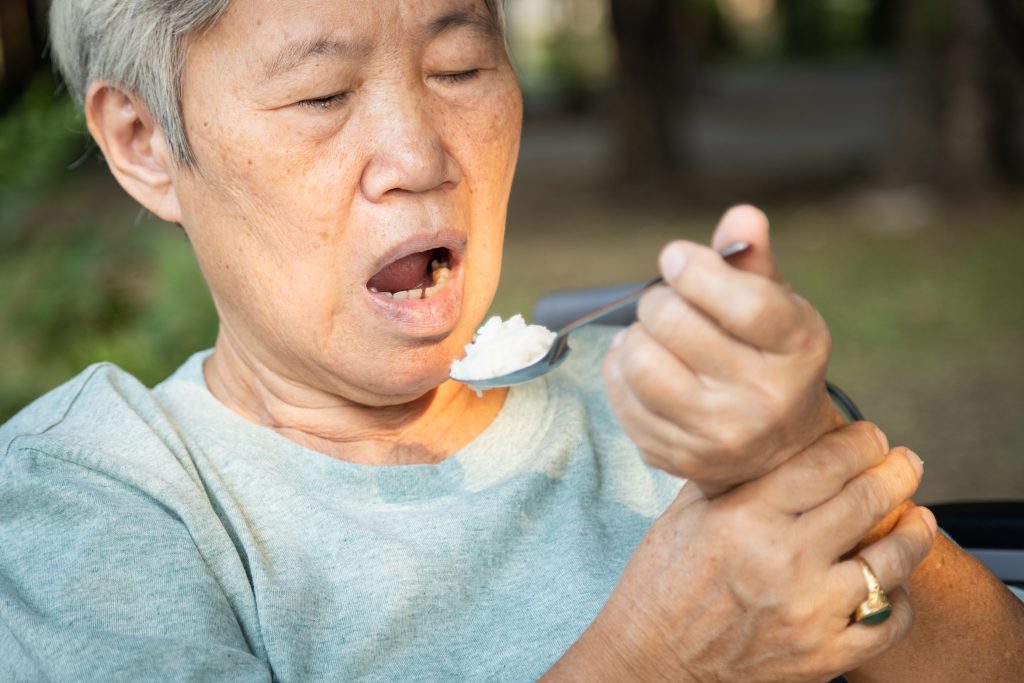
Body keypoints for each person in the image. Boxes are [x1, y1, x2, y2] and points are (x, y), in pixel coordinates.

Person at [0, 0, 1020, 681]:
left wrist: (798, 456)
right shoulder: (101, 486)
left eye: (460, 66)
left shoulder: (670, 400)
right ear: (144, 144)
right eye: (322, 95)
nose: (418, 155)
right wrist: (661, 654)